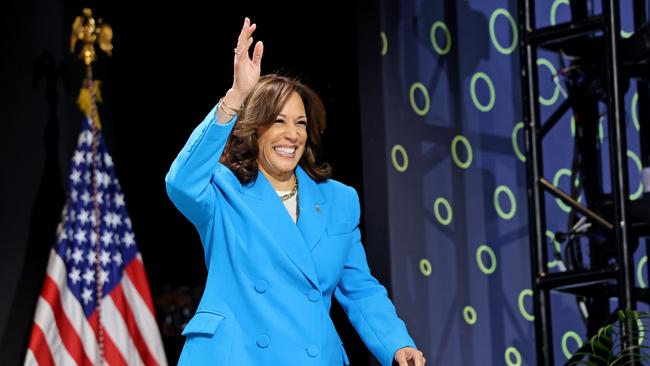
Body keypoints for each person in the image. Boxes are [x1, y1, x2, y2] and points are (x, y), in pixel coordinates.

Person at [165, 17, 426, 366]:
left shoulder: (339, 200)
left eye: (300, 123)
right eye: (278, 122)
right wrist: (236, 97)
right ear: (255, 128)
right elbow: (181, 182)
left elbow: (359, 287)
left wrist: (397, 343)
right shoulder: (223, 190)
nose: (292, 135)